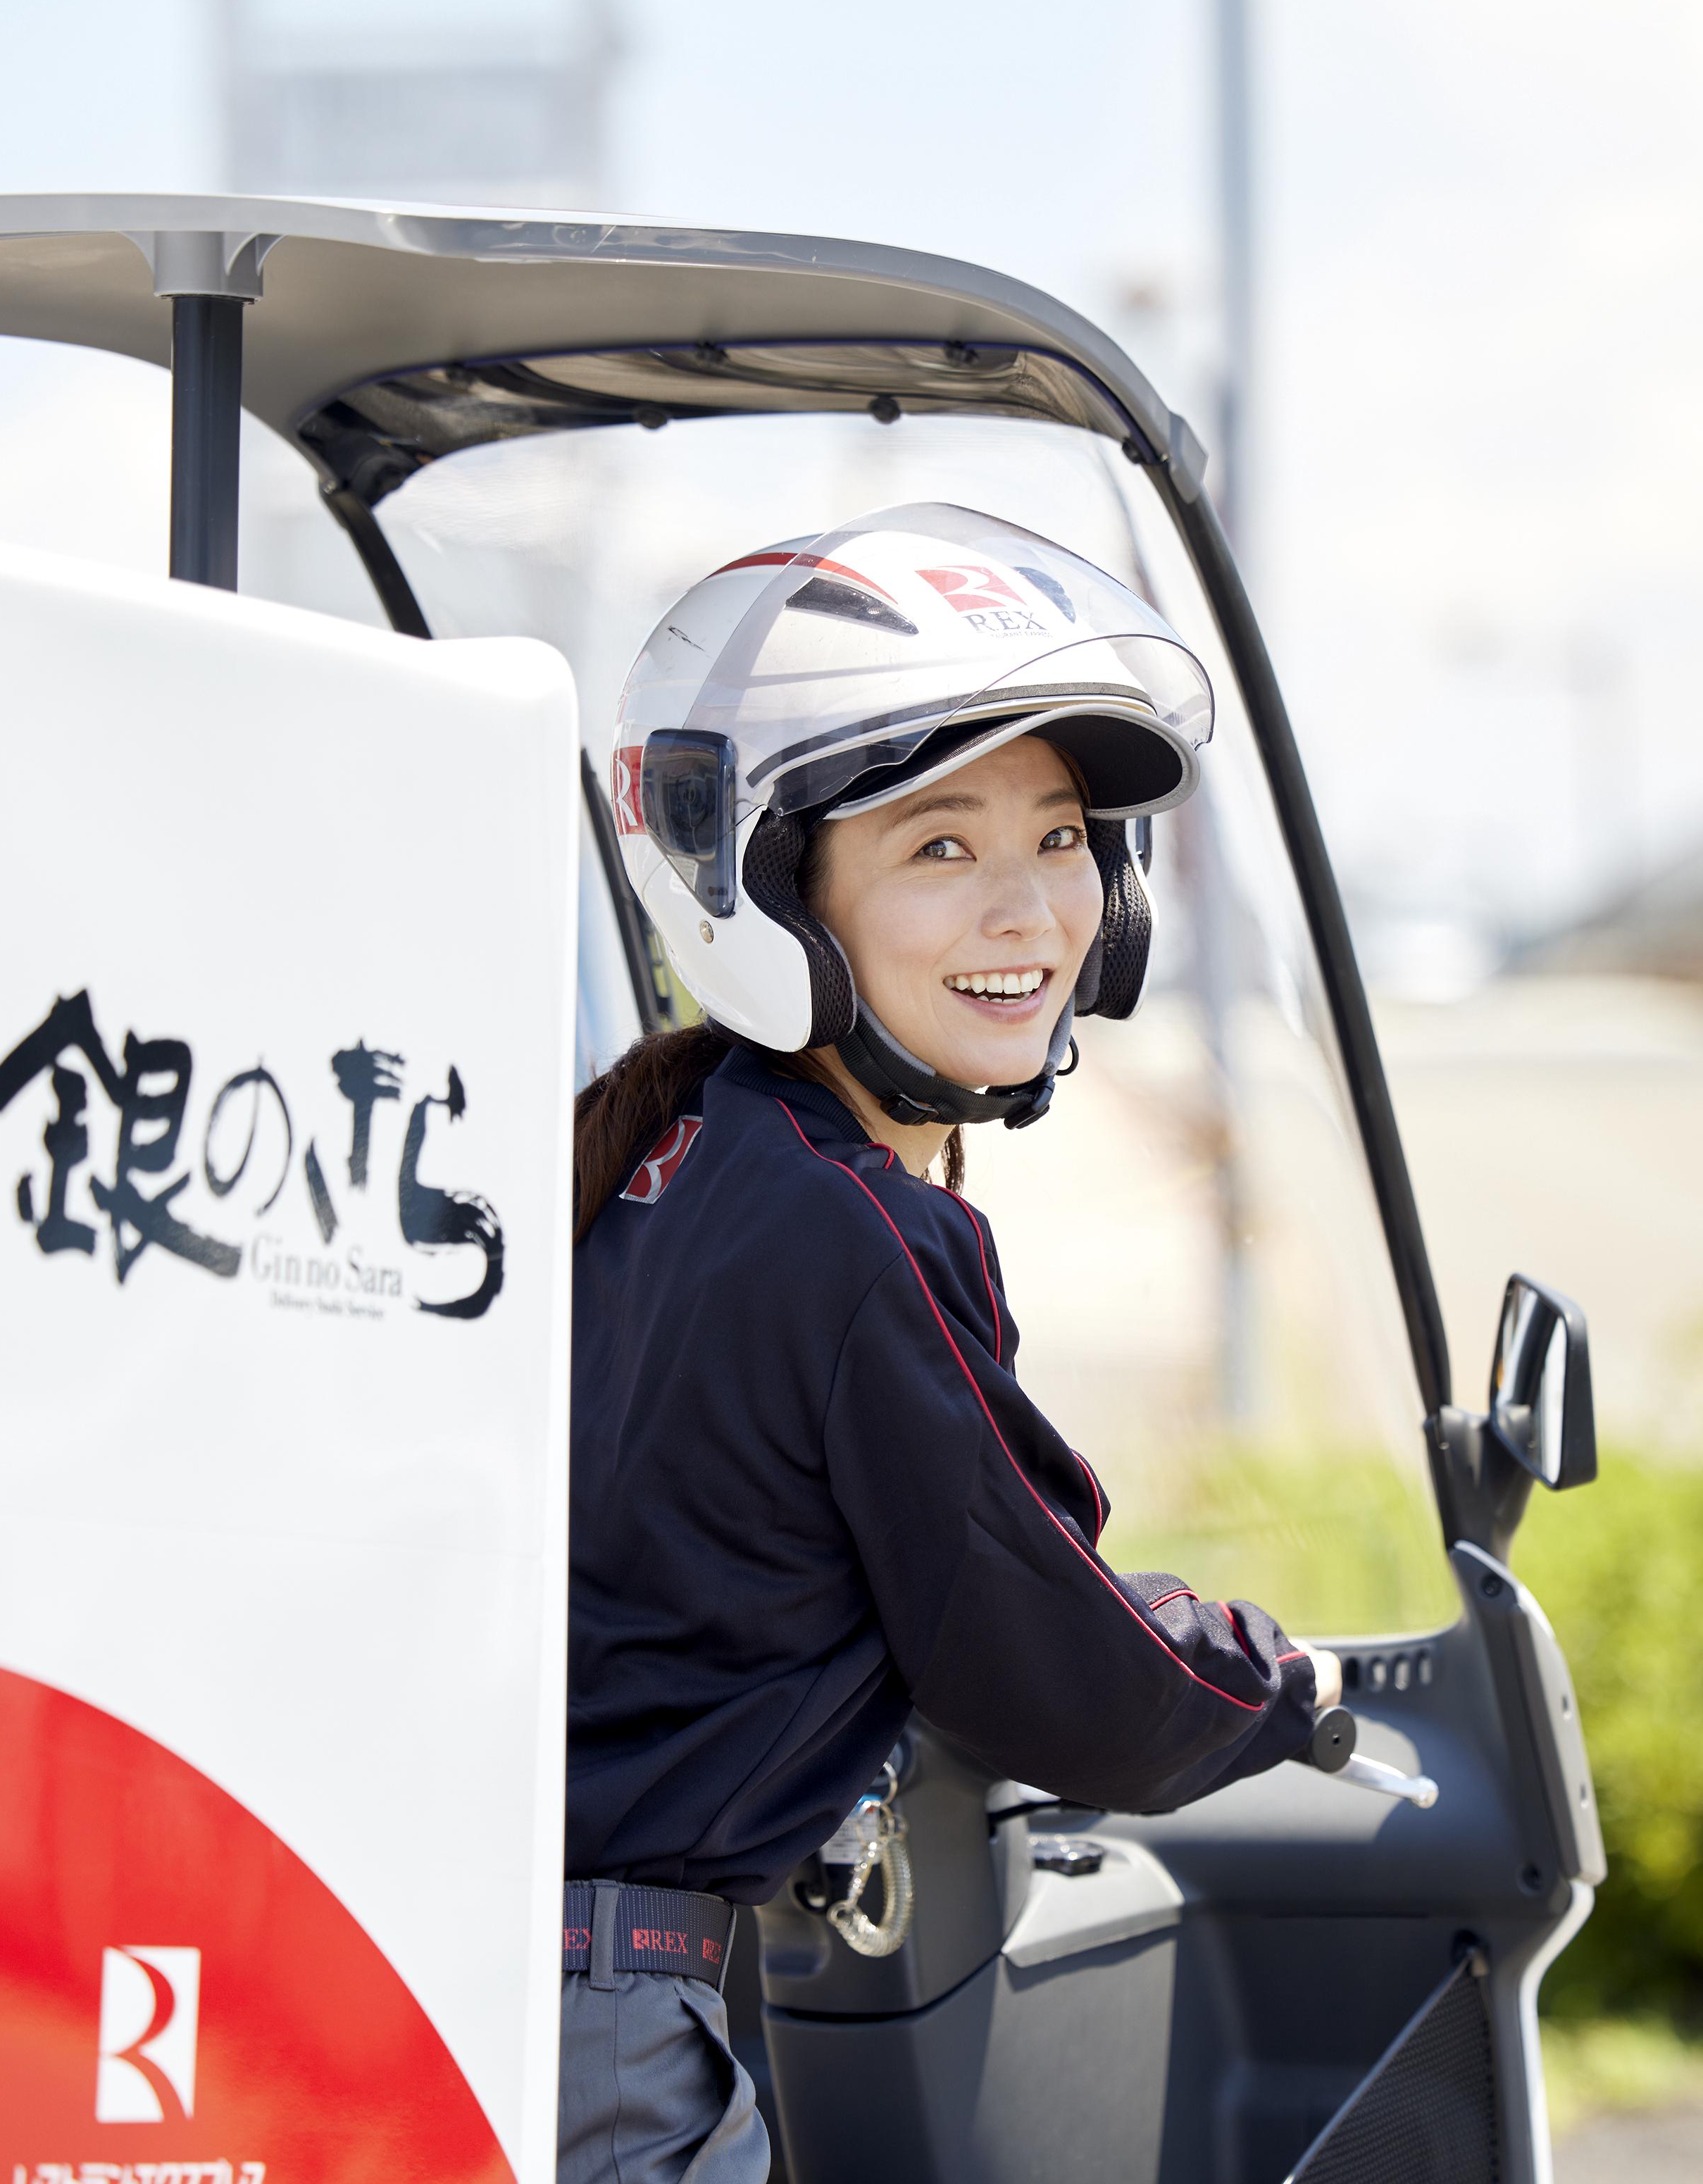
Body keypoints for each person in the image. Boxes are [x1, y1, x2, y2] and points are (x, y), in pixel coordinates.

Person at [559, 506, 1341, 2183]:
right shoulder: (847, 1227)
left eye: (1063, 841)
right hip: (610, 2015)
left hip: (540, 1969)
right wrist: (1295, 1683)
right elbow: (1063, 1670)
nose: (1032, 913)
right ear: (774, 893)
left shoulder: (683, 1146)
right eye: (939, 847)